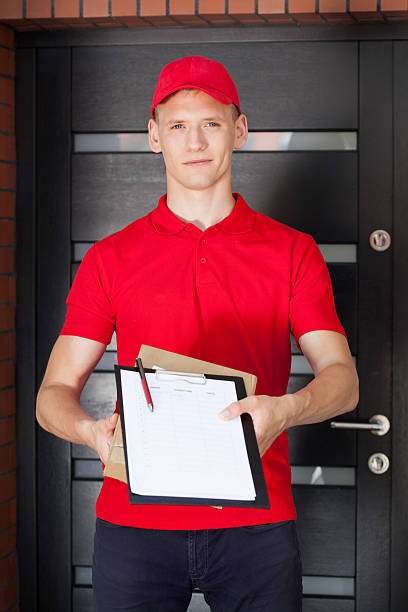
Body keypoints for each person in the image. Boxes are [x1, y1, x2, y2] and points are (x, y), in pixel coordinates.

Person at [36, 56, 359, 612]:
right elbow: (51, 395)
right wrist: (90, 432)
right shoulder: (111, 258)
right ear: (154, 137)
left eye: (210, 123)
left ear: (239, 130)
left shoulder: (292, 250)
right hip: (134, 523)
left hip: (256, 522)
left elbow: (344, 381)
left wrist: (284, 410)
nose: (195, 141)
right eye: (178, 126)